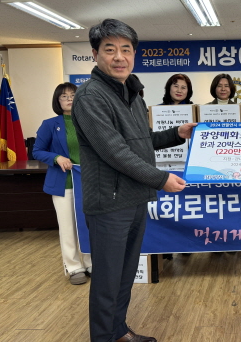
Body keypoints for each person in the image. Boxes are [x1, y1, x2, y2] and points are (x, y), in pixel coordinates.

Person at [71, 19, 196, 342]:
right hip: (109, 204)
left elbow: (141, 141)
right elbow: (115, 152)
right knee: (107, 279)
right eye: (109, 49)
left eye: (126, 49)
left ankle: (118, 331)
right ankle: (103, 337)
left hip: (135, 197)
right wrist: (160, 178)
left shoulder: (132, 93)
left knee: (125, 274)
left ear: (134, 54)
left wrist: (177, 134)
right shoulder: (90, 96)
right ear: (95, 54)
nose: (119, 57)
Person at [33, 82, 92, 286]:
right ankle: (74, 267)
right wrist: (56, 157)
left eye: (73, 95)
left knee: (88, 225)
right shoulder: (50, 124)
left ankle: (91, 262)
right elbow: (37, 151)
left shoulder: (89, 121)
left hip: (88, 182)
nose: (69, 99)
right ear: (57, 101)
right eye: (64, 96)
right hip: (63, 183)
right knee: (68, 227)